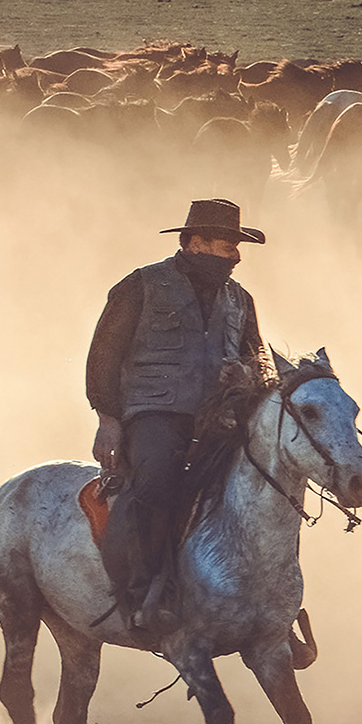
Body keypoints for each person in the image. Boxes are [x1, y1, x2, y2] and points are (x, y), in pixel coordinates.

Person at [84, 199, 270, 635]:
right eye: (228, 247)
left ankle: (267, 601)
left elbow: (257, 360)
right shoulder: (141, 286)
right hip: (153, 414)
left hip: (219, 419)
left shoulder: (240, 300)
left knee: (263, 485)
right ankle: (143, 593)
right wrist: (108, 420)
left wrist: (245, 374)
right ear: (195, 243)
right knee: (156, 480)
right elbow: (103, 357)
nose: (236, 256)